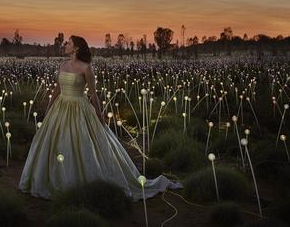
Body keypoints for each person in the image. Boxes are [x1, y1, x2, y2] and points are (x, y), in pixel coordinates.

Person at [18, 35, 180, 200]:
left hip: (79, 109)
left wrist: (99, 114)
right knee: (55, 142)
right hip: (60, 108)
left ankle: (83, 182)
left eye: (69, 43)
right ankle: (55, 180)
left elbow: (94, 95)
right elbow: (58, 88)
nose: (65, 44)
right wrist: (49, 106)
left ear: (76, 48)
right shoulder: (63, 65)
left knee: (79, 142)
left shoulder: (86, 68)